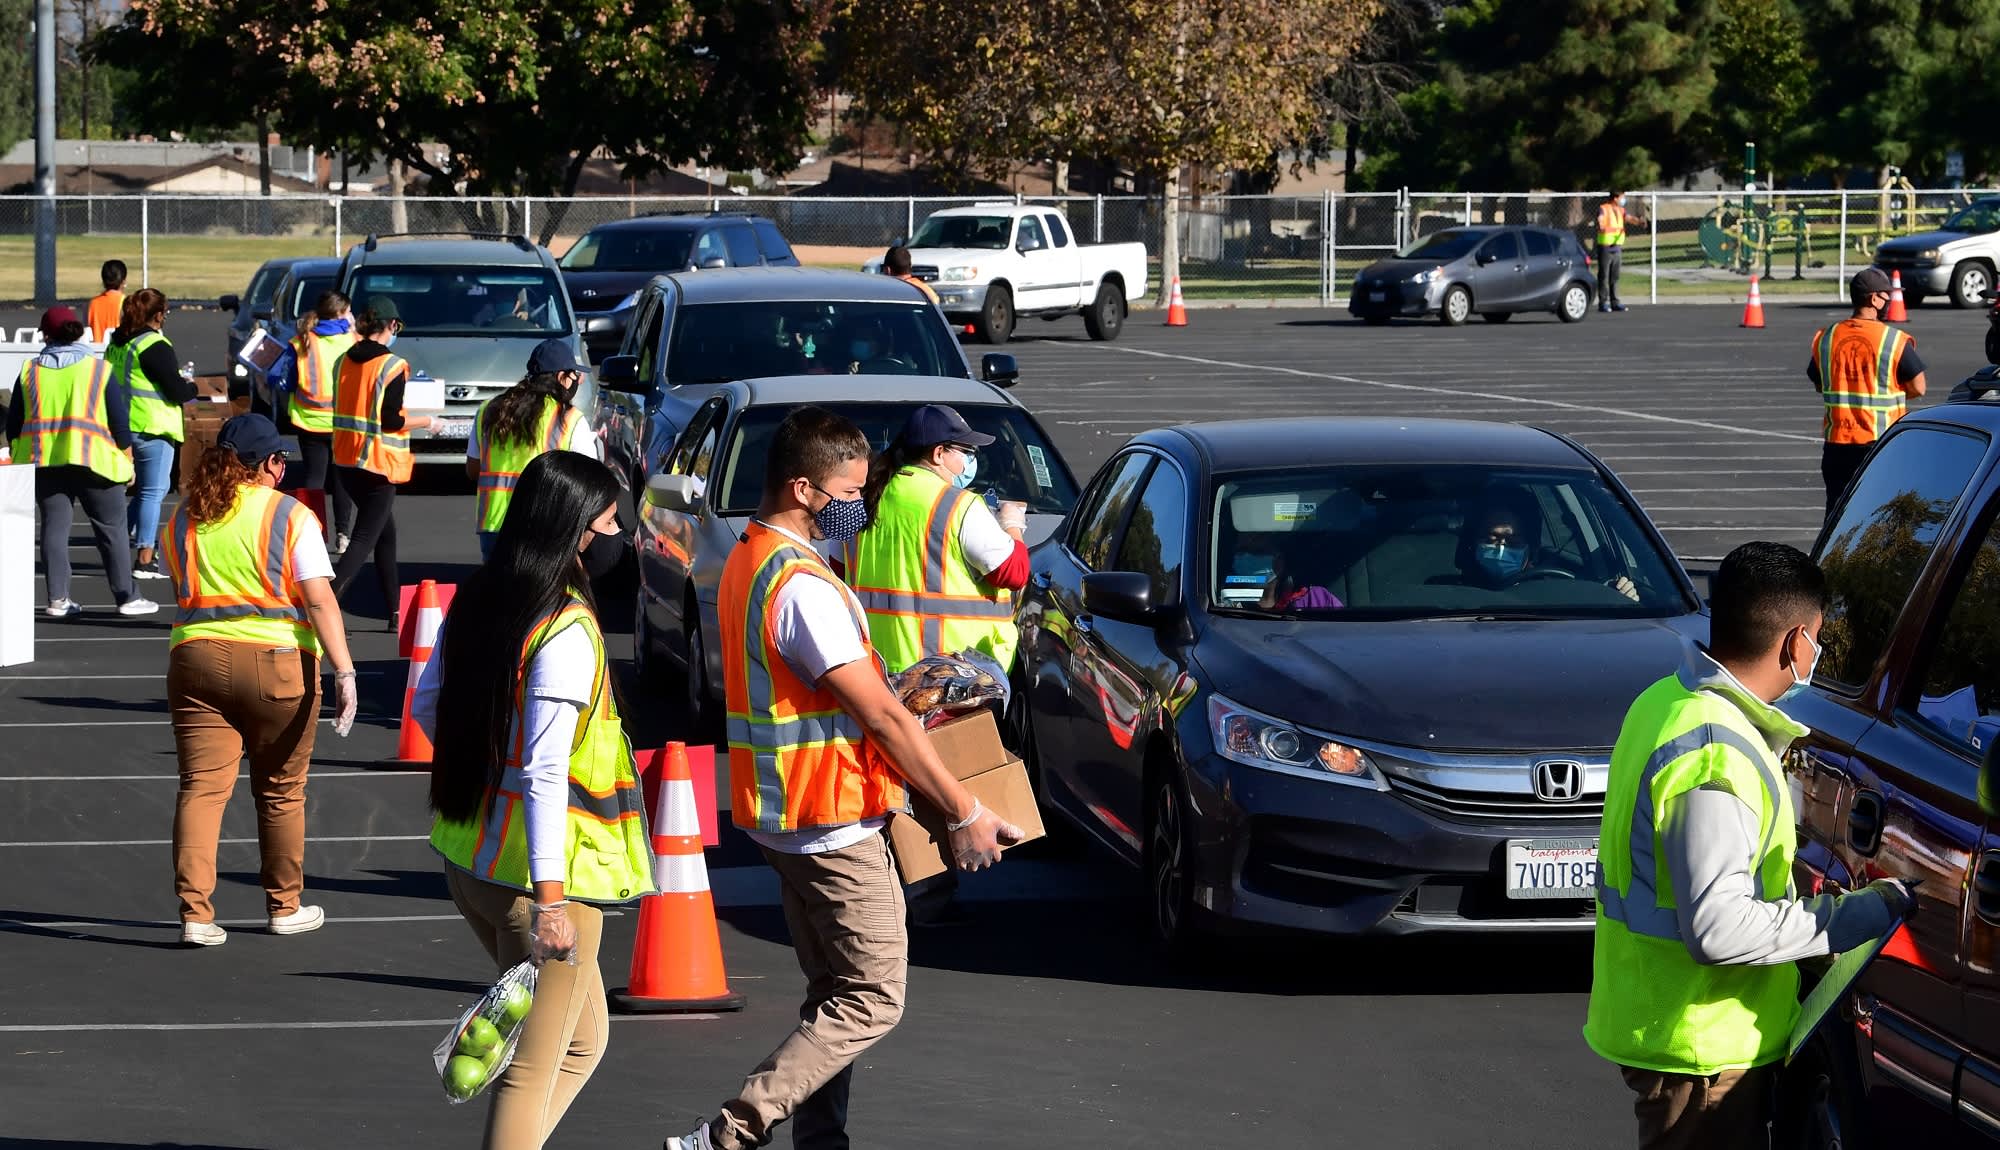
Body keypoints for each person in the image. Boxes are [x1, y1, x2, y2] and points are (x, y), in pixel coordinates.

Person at [664, 406, 1022, 1150]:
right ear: (803, 487)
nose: (860, 504)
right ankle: (728, 1133)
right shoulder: (801, 585)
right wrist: (962, 812)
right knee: (872, 999)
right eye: (849, 491)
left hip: (785, 816)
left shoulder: (753, 556)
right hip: (829, 822)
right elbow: (884, 721)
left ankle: (820, 1143)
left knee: (832, 995)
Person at [1584, 541, 1916, 1149]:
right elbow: (1719, 928)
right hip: (1700, 1050)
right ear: (1795, 643)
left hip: (1678, 1033)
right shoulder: (1716, 751)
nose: (1817, 652)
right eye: (1818, 638)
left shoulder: (1664, 703)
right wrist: (1853, 918)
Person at [415, 450, 652, 1150]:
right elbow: (547, 771)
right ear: (575, 529)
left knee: (583, 1042)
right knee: (529, 1069)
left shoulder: (482, 598)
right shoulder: (567, 630)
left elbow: (429, 703)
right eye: (609, 520)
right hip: (548, 885)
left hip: (475, 861)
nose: (619, 535)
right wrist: (551, 901)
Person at [162, 413, 357, 946]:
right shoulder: (290, 514)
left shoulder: (184, 518)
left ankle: (195, 915)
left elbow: (179, 581)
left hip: (195, 658)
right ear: (269, 463)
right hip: (277, 662)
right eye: (280, 461)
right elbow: (318, 597)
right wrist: (345, 669)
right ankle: (283, 905)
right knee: (280, 793)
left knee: (201, 790)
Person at [846, 403, 1028, 674]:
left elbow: (840, 574)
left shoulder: (865, 499)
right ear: (939, 454)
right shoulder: (958, 505)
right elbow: (1015, 572)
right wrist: (1013, 525)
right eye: (965, 452)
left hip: (875, 672)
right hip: (947, 679)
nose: (968, 462)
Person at [5, 305, 158, 618]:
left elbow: (14, 424)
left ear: (45, 335)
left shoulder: (30, 371)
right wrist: (127, 458)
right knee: (111, 531)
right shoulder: (98, 369)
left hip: (46, 462)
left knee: (53, 529)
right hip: (95, 462)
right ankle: (126, 598)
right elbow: (119, 421)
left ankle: (57, 599)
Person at [329, 301, 432, 630]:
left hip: (346, 460)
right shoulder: (392, 366)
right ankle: (322, 604)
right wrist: (426, 421)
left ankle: (394, 613)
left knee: (386, 535)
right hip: (378, 464)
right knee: (363, 541)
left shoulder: (344, 360)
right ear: (390, 326)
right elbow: (390, 420)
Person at [468, 338, 598, 560]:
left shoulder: (488, 410)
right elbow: (590, 480)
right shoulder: (569, 418)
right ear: (561, 377)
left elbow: (473, 469)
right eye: (574, 375)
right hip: (545, 528)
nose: (576, 381)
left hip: (493, 527)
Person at [1809, 267, 1926, 512]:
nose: (1890, 301)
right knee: (1881, 516)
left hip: (1837, 446)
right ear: (1874, 299)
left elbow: (1820, 382)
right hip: (1879, 444)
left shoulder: (1827, 337)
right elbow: (1918, 386)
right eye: (1887, 296)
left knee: (1837, 516)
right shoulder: (1892, 340)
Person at [105, 288, 196, 581]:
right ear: (158, 315)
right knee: (151, 494)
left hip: (122, 426)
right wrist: (191, 387)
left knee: (137, 494)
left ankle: (118, 542)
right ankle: (145, 558)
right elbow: (176, 390)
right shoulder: (154, 345)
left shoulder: (117, 343)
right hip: (153, 427)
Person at [267, 289, 358, 554]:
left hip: (309, 421)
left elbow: (280, 379)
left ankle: (311, 534)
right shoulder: (352, 340)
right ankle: (343, 535)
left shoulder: (302, 341)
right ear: (341, 313)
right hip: (342, 423)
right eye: (349, 311)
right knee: (341, 480)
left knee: (314, 478)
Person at [1445, 488, 1638, 601]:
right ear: (1472, 542)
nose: (1501, 548)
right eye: (1491, 539)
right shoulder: (1448, 598)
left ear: (1532, 547)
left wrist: (1617, 598)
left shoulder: (1559, 596)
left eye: (1513, 541)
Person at [1595, 189, 1647, 313]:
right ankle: (1603, 303)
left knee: (1615, 276)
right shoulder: (1604, 208)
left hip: (1617, 247)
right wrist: (1601, 224)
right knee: (1603, 276)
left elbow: (1628, 218)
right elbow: (1600, 219)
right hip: (1605, 247)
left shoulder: (1620, 210)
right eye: (1622, 197)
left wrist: (1639, 222)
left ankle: (1615, 302)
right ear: (1615, 198)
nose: (1624, 200)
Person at [86, 259, 127, 340]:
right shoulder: (126, 303)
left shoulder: (93, 303)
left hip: (96, 350)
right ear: (123, 281)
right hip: (117, 350)